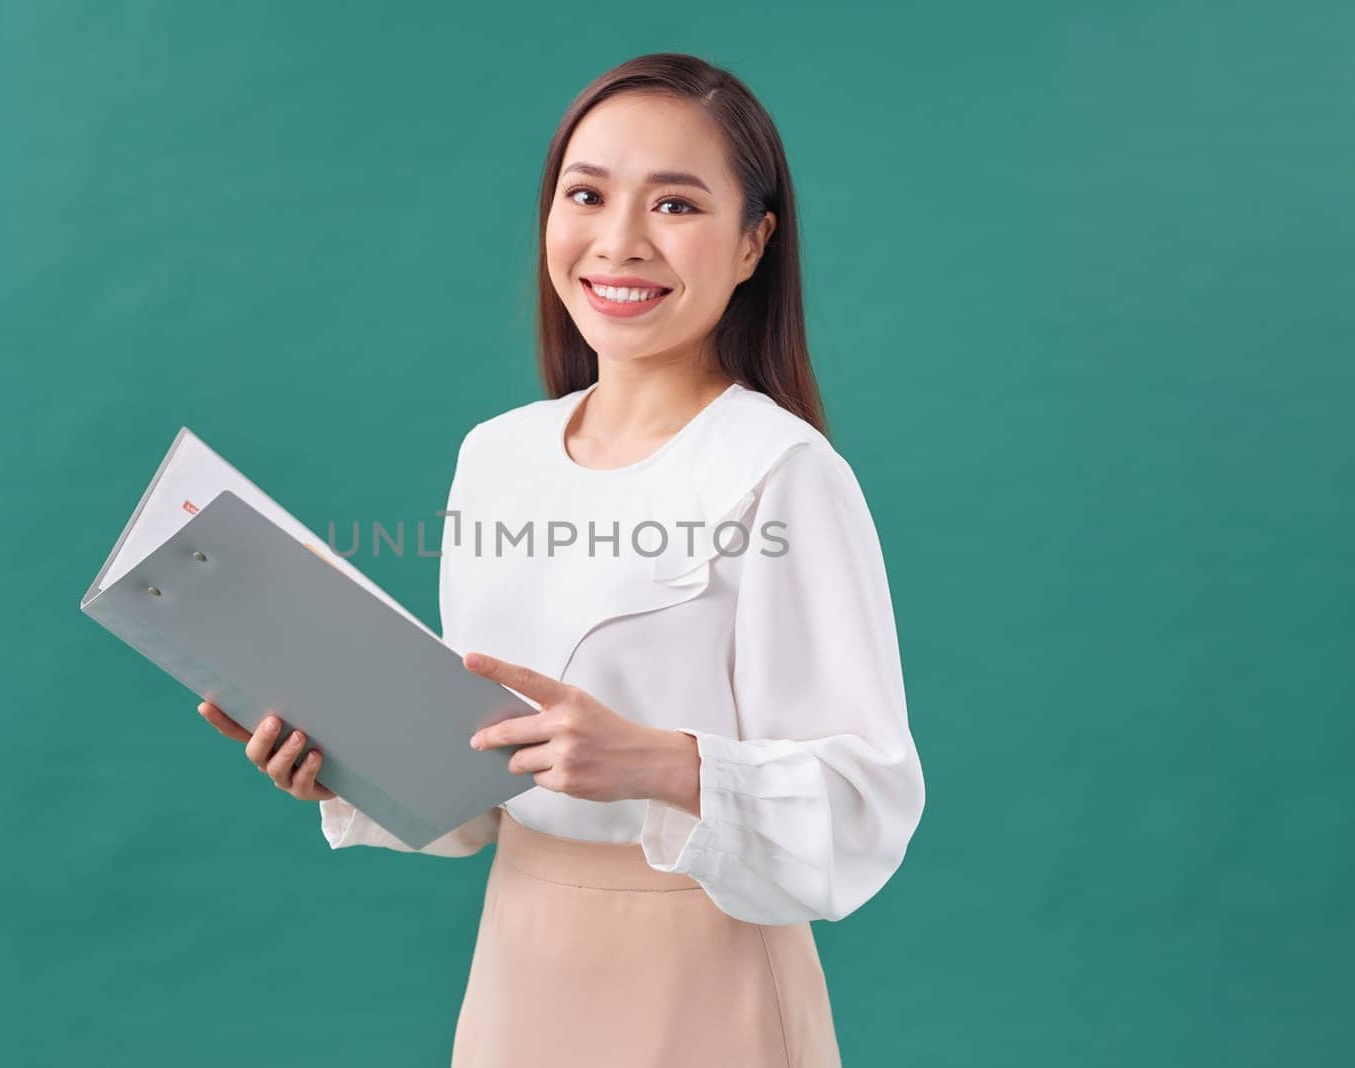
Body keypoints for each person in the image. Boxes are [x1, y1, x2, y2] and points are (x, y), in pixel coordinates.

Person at [197, 52, 925, 1068]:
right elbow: (478, 788)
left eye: (675, 204)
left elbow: (864, 805)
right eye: (587, 194)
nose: (619, 241)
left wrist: (658, 762)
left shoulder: (781, 474)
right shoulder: (497, 457)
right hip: (518, 968)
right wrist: (346, 771)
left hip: (705, 983)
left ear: (755, 242)